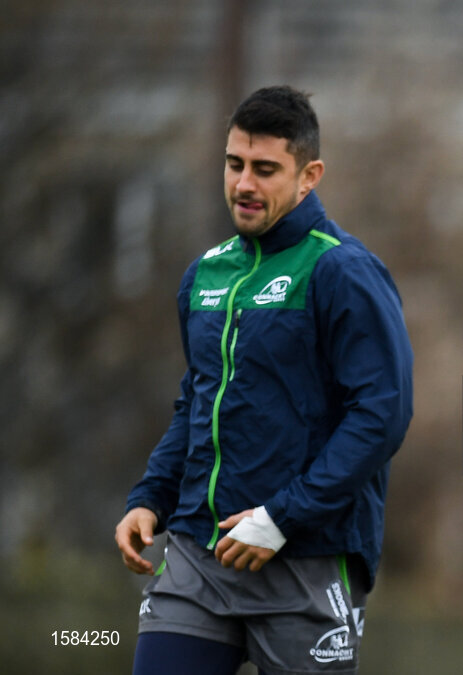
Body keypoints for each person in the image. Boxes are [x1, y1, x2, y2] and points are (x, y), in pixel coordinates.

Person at [115, 85, 414, 675]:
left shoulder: (343, 271)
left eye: (265, 169)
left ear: (309, 176)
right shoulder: (205, 275)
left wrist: (282, 517)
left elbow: (383, 414)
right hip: (200, 557)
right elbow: (196, 402)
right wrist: (151, 496)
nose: (244, 184)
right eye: (235, 165)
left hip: (307, 558)